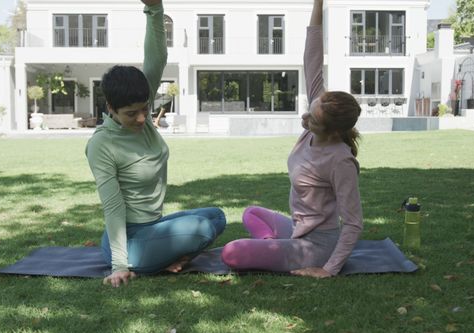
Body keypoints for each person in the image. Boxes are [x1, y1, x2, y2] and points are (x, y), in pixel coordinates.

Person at [86, 0, 226, 287]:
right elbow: (112, 208)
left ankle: (168, 259)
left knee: (216, 216)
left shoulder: (140, 111)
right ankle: (147, 263)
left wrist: (155, 10)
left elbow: (155, 60)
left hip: (155, 227)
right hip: (131, 238)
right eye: (130, 114)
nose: (141, 119)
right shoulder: (102, 144)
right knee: (201, 228)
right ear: (110, 107)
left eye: (144, 109)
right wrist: (120, 265)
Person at [221, 0, 363, 278]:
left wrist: (329, 268)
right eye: (310, 111)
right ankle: (279, 248)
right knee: (252, 214)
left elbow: (354, 223)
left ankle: (281, 251)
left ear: (333, 131)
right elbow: (312, 55)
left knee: (231, 252)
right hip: (299, 230)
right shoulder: (318, 113)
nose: (305, 120)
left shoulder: (340, 160)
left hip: (318, 245)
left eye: (314, 121)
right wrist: (318, 3)